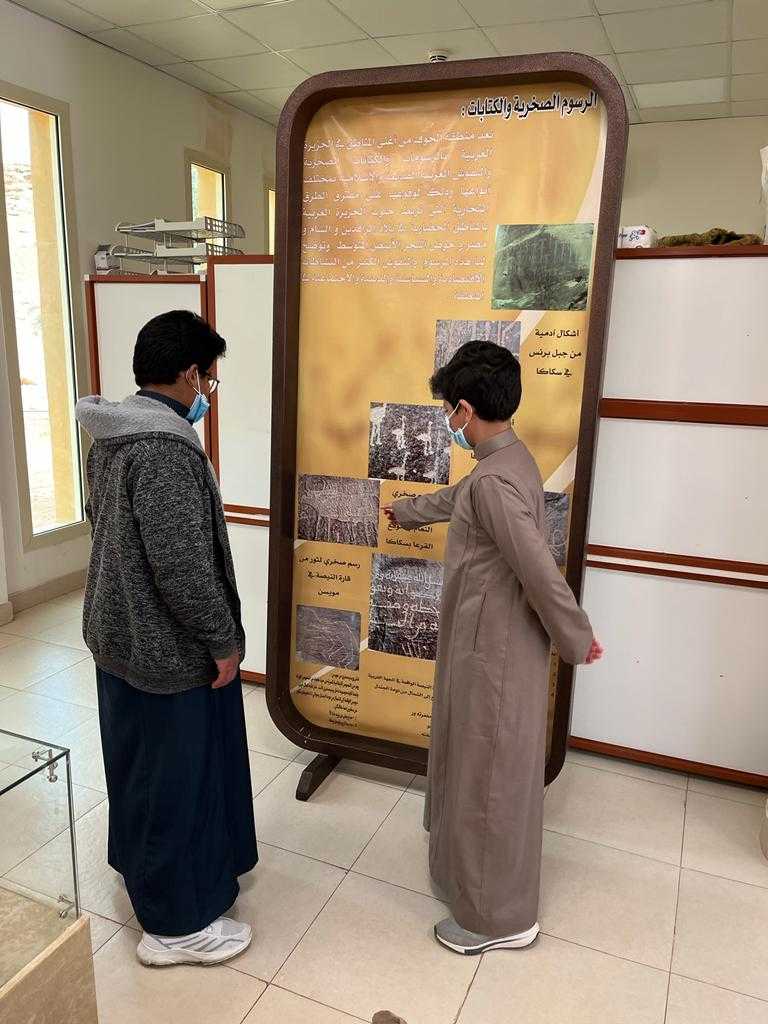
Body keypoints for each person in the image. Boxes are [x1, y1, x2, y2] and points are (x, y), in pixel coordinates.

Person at [384, 340, 603, 956]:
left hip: (495, 655)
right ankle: (469, 884)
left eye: (448, 409)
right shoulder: (505, 461)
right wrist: (408, 511)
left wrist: (577, 637)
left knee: (489, 779)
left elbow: (537, 569)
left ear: (464, 409)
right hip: (487, 644)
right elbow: (461, 499)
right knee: (478, 766)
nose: (447, 420)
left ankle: (498, 920)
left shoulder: (496, 480)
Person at [76, 310, 257, 967]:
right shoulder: (164, 451)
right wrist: (222, 641)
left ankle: (147, 873)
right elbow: (181, 567)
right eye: (209, 377)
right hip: (164, 650)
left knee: (139, 767)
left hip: (118, 632)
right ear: (189, 374)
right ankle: (176, 927)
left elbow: (100, 521)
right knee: (175, 779)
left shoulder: (113, 434)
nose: (209, 391)